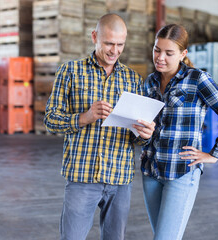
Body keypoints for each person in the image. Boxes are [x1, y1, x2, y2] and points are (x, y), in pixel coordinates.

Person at [44, 13, 156, 240]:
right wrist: (84, 117)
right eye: (109, 43)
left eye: (120, 45)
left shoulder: (132, 80)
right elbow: (50, 120)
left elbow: (136, 136)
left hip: (119, 178)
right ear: (94, 36)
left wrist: (145, 134)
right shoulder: (71, 72)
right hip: (82, 176)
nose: (115, 51)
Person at [141, 24, 218, 240]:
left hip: (181, 173)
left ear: (183, 54)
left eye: (169, 53)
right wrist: (141, 134)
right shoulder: (149, 83)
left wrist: (214, 154)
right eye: (157, 50)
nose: (160, 57)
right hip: (151, 171)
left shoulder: (197, 80)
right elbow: (142, 128)